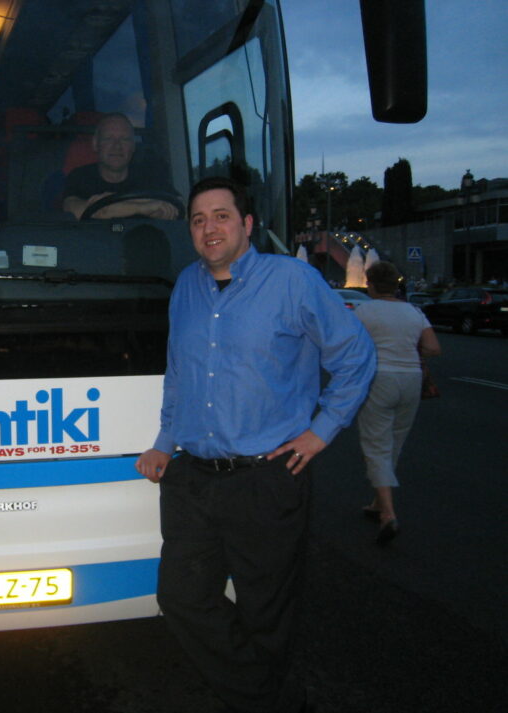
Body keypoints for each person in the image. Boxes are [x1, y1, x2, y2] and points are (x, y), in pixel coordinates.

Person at [135, 176, 376, 713]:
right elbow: (180, 374)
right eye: (198, 219)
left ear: (246, 225)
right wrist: (163, 441)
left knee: (267, 611)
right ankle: (274, 700)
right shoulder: (186, 288)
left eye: (221, 216)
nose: (209, 228)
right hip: (192, 476)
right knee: (182, 597)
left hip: (266, 477)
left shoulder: (292, 281)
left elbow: (355, 356)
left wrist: (321, 431)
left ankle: (263, 700)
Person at [353, 261, 441, 545]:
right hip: (411, 380)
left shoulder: (364, 311)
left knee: (375, 443)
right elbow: (433, 348)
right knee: (395, 442)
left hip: (380, 379)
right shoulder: (414, 312)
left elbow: (348, 344)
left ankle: (387, 514)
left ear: (372, 284)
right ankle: (378, 501)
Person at [61, 112, 180, 221]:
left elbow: (181, 206)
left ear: (133, 146)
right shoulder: (80, 176)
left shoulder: (150, 175)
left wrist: (109, 207)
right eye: (109, 139)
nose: (117, 146)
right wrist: (145, 207)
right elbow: (73, 211)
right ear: (95, 144)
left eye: (124, 139)